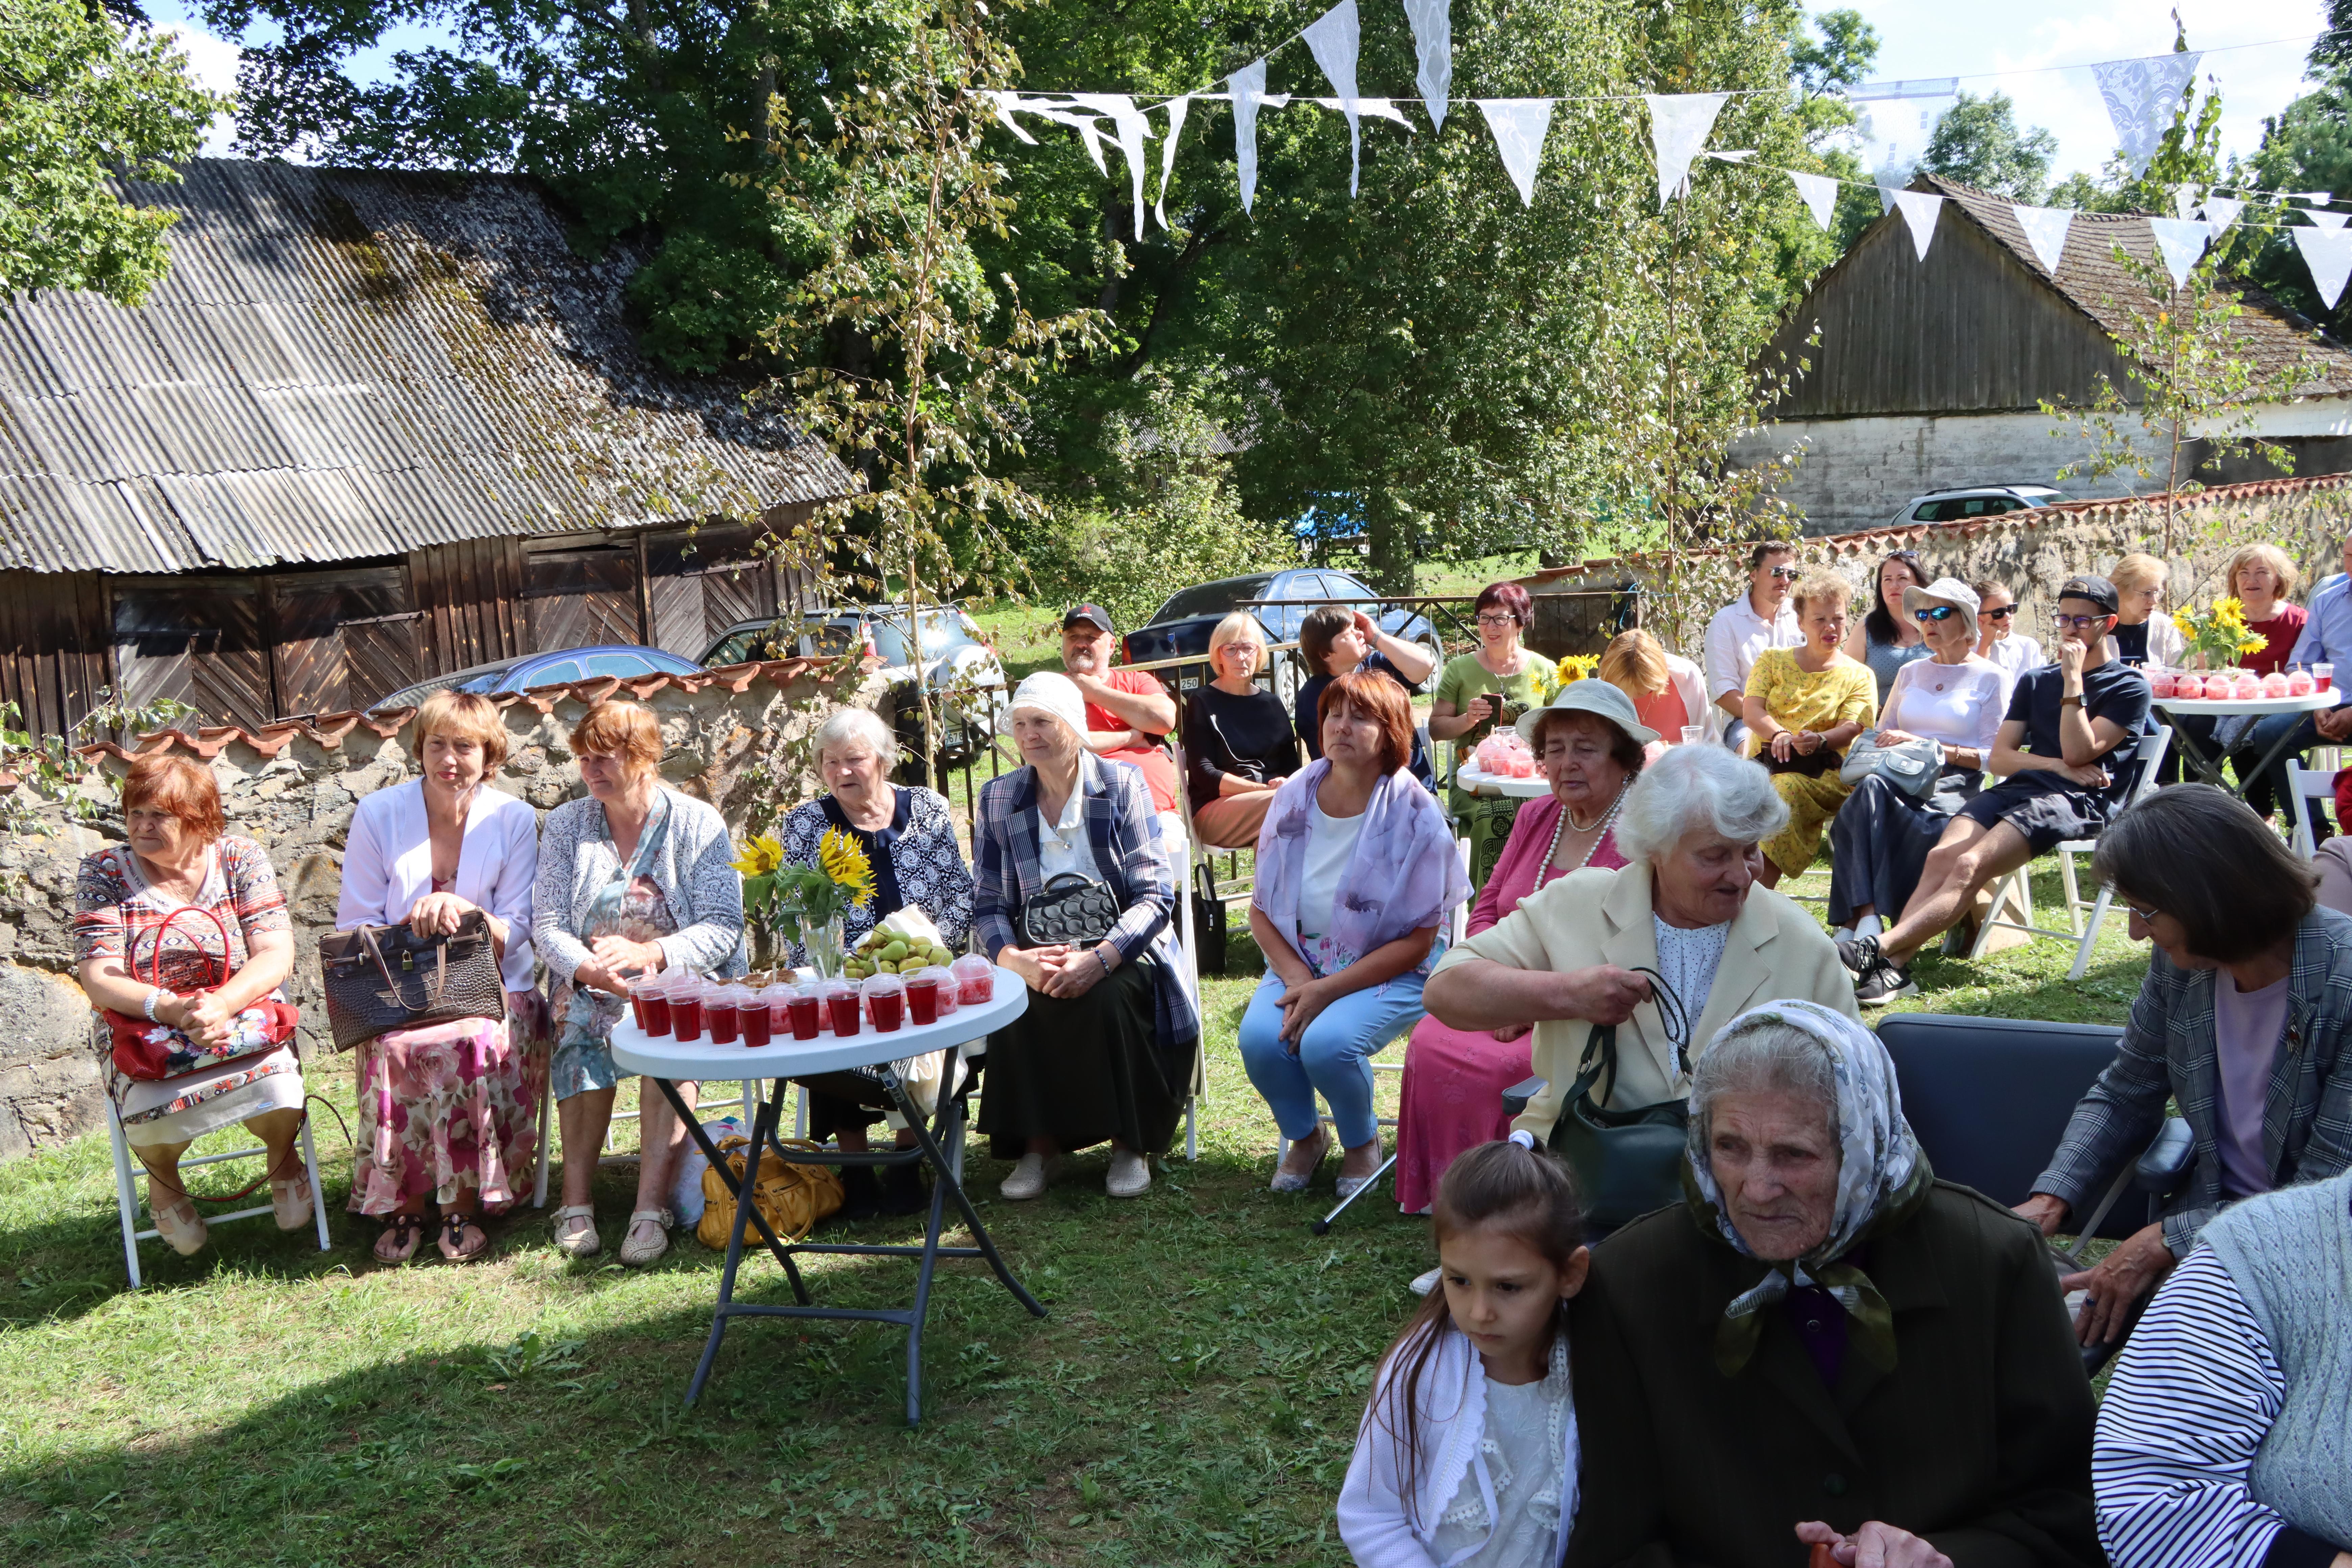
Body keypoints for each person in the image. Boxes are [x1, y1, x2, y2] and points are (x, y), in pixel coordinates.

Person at [1562, 1002, 2102, 1568]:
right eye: (1730, 1147)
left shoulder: (1993, 1262)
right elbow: (1615, 1533)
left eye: (1793, 1154)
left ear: (1864, 1144)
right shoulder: (1632, 1282)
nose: (1756, 1189)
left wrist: (1944, 1560)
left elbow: (2066, 1512)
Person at [2012, 786, 2352, 1355]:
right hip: (2217, 1231)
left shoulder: (2344, 982)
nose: (2135, 932)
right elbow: (2127, 1089)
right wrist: (2053, 1197)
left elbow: (2324, 1193)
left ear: (2211, 902)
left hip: (2323, 1255)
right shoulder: (2184, 967)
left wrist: (2167, 1239)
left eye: (2145, 912)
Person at [1423, 745, 1859, 1144]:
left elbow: (1857, 1086)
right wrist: (1568, 995)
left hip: (1744, 1187)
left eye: (1750, 851)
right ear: (1656, 849)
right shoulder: (1578, 903)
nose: (1743, 875)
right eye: (1714, 856)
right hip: (1586, 1169)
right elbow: (1446, 989)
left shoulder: (1801, 942)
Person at [1839, 575, 2152, 1006]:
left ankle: (1878, 951)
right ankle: (1892, 966)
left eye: (2083, 620)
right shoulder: (2036, 680)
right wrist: (2052, 763)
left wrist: (2073, 682)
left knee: (1969, 864)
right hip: (2024, 786)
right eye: (2064, 618)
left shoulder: (2128, 686)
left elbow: (2080, 751)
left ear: (2109, 623)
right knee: (1942, 857)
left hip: (2075, 801)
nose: (2070, 629)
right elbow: (2002, 758)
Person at [1394, 682, 1645, 1216]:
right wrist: (1488, 984)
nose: (1567, 763)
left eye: (1586, 748)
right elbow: (1487, 908)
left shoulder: (1643, 835)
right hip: (1503, 990)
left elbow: (1626, 949)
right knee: (1433, 1039)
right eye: (1555, 749)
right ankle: (1455, 1209)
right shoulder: (1536, 818)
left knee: (1496, 1068)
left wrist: (1523, 1006)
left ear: (1623, 758)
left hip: (1579, 1013)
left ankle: (1511, 1219)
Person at [972, 672, 1198, 1201]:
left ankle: (1129, 1144)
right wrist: (1015, 960)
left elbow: (1153, 895)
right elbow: (986, 902)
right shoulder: (1000, 797)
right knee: (1019, 999)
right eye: (1020, 724)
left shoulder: (1121, 785)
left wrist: (1102, 958)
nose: (1030, 735)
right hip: (1034, 945)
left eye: (1043, 722)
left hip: (1122, 943)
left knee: (1108, 998)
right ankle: (1039, 1147)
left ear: (1073, 725)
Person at [535, 701, 746, 1266]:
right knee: (577, 1020)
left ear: (645, 758)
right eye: (583, 760)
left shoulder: (697, 823)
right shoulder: (566, 825)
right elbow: (549, 926)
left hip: (675, 983)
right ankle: (576, 1202)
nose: (591, 772)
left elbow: (723, 925)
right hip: (591, 981)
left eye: (603, 759)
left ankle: (649, 1207)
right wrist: (591, 970)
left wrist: (651, 953)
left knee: (670, 1031)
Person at [73, 755, 310, 1257]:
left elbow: (275, 952)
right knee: (146, 1106)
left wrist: (222, 1004)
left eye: (159, 815)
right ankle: (164, 1181)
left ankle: (283, 1159)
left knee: (281, 1083)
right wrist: (174, 1010)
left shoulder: (240, 858)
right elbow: (98, 975)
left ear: (200, 819)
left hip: (236, 1007)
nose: (142, 826)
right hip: (146, 1022)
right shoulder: (105, 872)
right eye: (135, 813)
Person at [336, 691, 541, 1263]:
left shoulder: (514, 819)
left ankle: (464, 1205)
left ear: (490, 754)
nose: (450, 759)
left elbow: (522, 930)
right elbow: (355, 923)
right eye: (437, 745)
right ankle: (405, 1201)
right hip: (399, 991)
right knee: (396, 1045)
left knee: (469, 1041)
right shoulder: (378, 815)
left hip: (495, 987)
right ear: (419, 749)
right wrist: (412, 919)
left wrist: (464, 914)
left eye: (465, 747)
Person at [1245, 671, 1468, 1198]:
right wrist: (1301, 976)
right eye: (1333, 714)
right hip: (1302, 961)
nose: (1340, 727)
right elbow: (1260, 910)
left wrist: (1326, 990)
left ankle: (1361, 1142)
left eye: (1360, 717)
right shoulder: (1293, 796)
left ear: (1392, 731)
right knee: (1260, 1040)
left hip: (1393, 969)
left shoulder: (1416, 814)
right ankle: (1306, 1136)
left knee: (1327, 1044)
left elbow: (1418, 941)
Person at [1339, 1142, 1588, 1568]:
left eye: (1508, 1286)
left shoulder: (1593, 1367)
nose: (1480, 1312)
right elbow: (1369, 1512)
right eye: (1459, 1280)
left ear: (1570, 1274)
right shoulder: (1418, 1371)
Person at [2092, 1171, 2352, 1568]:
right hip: (2265, 1244)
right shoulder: (2263, 1253)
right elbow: (2151, 1508)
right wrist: (2053, 1196)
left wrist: (2170, 1234)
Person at [778, 705, 973, 1219]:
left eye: (854, 759)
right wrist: (847, 965)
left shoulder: (927, 809)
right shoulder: (805, 825)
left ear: (882, 760)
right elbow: (796, 916)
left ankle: (907, 1162)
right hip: (845, 971)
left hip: (924, 967)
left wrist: (925, 950)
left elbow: (960, 893)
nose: (841, 772)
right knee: (837, 1017)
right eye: (829, 762)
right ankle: (857, 1167)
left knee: (917, 1012)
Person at [1827, 579, 2007, 946]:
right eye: (1923, 614)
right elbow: (1883, 733)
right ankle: (1869, 916)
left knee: (1865, 806)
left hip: (1953, 784)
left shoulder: (1991, 677)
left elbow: (1995, 757)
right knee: (1871, 790)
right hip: (1897, 776)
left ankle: (1858, 921)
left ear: (1968, 622)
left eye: (1940, 613)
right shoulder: (1910, 672)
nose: (1929, 621)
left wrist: (1930, 745)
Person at [1741, 571, 1878, 889]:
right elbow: (1752, 711)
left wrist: (1818, 741)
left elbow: (1851, 728)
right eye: (1820, 619)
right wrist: (1780, 736)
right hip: (1764, 767)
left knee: (1784, 790)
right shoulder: (1772, 661)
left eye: (1838, 619)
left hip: (1826, 774)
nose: (1830, 627)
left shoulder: (1859, 675)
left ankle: (1755, 895)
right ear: (1800, 622)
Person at [1429, 582, 1558, 888]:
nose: (1490, 627)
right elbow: (1436, 729)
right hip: (1478, 779)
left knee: (1549, 816)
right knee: (1492, 817)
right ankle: (1485, 912)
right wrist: (1467, 719)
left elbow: (1563, 729)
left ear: (1520, 621)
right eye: (1483, 618)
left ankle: (1535, 902)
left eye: (1500, 618)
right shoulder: (1460, 669)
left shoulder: (1545, 669)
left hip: (1533, 779)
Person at [2195, 543, 2308, 814]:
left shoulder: (2298, 621)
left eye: (2261, 573)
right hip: (2224, 701)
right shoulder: (2219, 618)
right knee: (2193, 726)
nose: (2251, 580)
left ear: (2279, 579)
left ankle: (2262, 813)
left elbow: (2302, 674)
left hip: (2274, 705)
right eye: (2243, 573)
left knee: (2248, 731)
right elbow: (2204, 670)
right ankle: (2201, 812)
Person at [2249, 546, 2352, 837]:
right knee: (2270, 733)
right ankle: (2312, 829)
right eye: (2348, 555)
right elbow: (2300, 664)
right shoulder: (2328, 600)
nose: (2351, 563)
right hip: (2327, 704)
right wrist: (2316, 703)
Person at [1056, 602, 1182, 837]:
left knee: (1167, 854)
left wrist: (1095, 693)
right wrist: (1133, 736)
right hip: (1086, 823)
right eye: (1073, 636)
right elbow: (1066, 744)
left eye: (1092, 637)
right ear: (1063, 643)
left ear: (1112, 645)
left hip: (1156, 816)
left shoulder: (1137, 681)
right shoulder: (1053, 689)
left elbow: (1165, 719)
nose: (1081, 643)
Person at [1182, 612, 1300, 850]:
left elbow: (1292, 769)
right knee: (1293, 805)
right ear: (1219, 655)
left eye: (1248, 648)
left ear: (1258, 653)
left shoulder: (1273, 705)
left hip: (1270, 807)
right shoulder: (1202, 702)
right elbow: (1205, 775)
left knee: (1273, 839)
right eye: (1231, 649)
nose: (1241, 657)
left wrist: (1284, 782)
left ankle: (1275, 889)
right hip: (1216, 809)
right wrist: (1265, 790)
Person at [1295, 603, 1438, 788]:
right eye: (1349, 634)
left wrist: (1377, 637)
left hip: (1418, 788)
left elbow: (1425, 665)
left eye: (1357, 627)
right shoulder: (1313, 698)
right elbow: (1333, 762)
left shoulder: (1379, 666)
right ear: (1326, 654)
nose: (1360, 634)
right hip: (1361, 800)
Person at [1701, 541, 1802, 749]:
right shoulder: (1726, 622)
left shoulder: (1803, 615)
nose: (1784, 581)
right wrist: (1771, 724)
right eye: (1777, 572)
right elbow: (1725, 693)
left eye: (1791, 575)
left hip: (1803, 716)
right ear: (1754, 575)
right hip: (1747, 723)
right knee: (1756, 761)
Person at [1840, 548, 1932, 704]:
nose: (1894, 586)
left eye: (1902, 578)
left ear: (1919, 583)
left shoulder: (1935, 623)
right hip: (1879, 725)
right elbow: (1845, 684)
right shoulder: (1865, 630)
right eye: (1887, 580)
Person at [1597, 627, 1705, 748]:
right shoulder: (1604, 689)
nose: (1635, 695)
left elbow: (1707, 740)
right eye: (1625, 689)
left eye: (1641, 686)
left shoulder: (1687, 676)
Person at [2108, 553, 2185, 668]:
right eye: (2147, 593)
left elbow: (2177, 674)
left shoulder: (2165, 625)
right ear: (2121, 592)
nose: (2155, 601)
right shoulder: (2100, 626)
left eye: (2157, 593)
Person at [1974, 578, 2044, 703]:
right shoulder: (1970, 648)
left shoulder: (2028, 646)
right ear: (1980, 619)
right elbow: (1974, 685)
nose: (2008, 616)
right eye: (1998, 613)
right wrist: (1986, 643)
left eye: (2011, 609)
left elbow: (2041, 688)